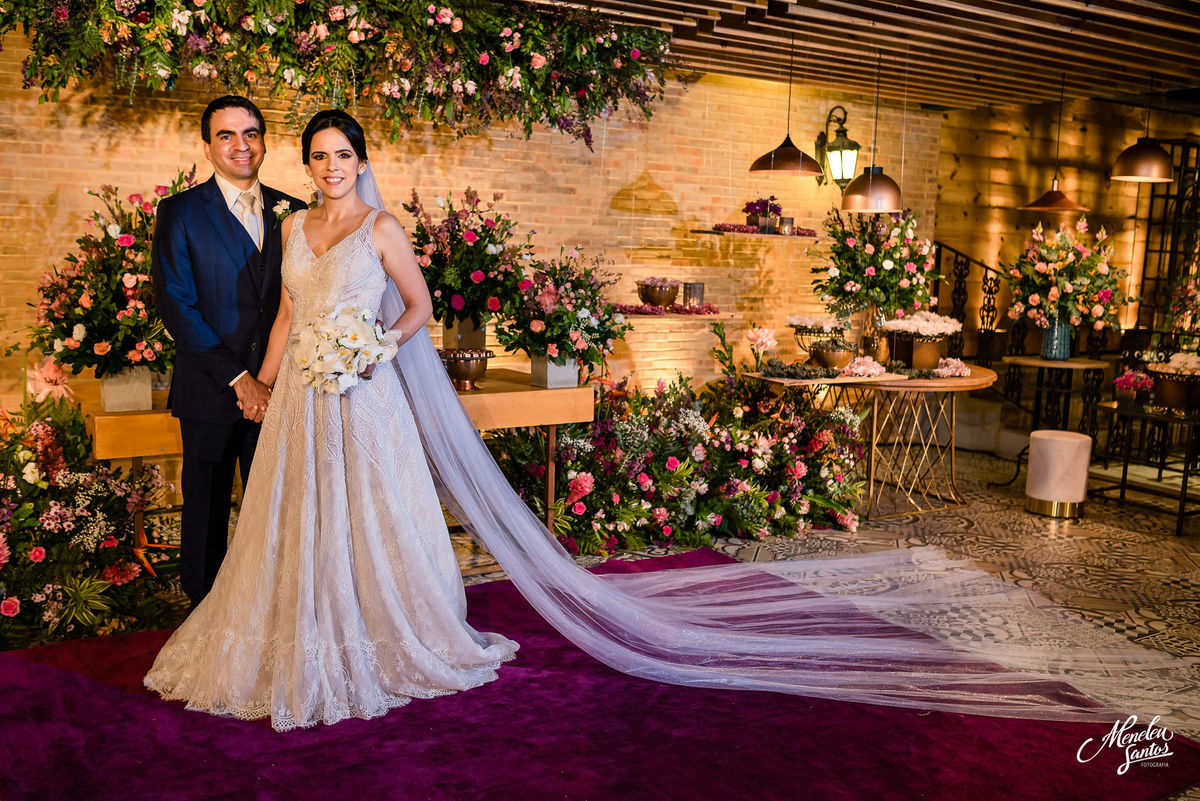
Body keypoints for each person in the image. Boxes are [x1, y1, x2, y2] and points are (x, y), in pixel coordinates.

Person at [147, 110, 1193, 733]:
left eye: (340, 155)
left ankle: (387, 632)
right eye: (318, 156)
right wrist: (267, 384)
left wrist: (375, 347)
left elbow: (418, 311)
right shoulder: (293, 227)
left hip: (366, 396)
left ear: (359, 160)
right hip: (300, 406)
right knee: (287, 525)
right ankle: (298, 629)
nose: (329, 168)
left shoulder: (380, 223)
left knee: (371, 518)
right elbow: (286, 311)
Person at [151, 96, 306, 608]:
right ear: (207, 146)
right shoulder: (180, 212)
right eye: (226, 135)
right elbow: (178, 307)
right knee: (206, 512)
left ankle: (274, 613)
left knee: (280, 510)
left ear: (263, 141)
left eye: (251, 133)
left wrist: (272, 377)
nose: (241, 145)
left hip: (284, 389)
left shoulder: (296, 213)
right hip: (213, 392)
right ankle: (202, 621)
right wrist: (242, 379)